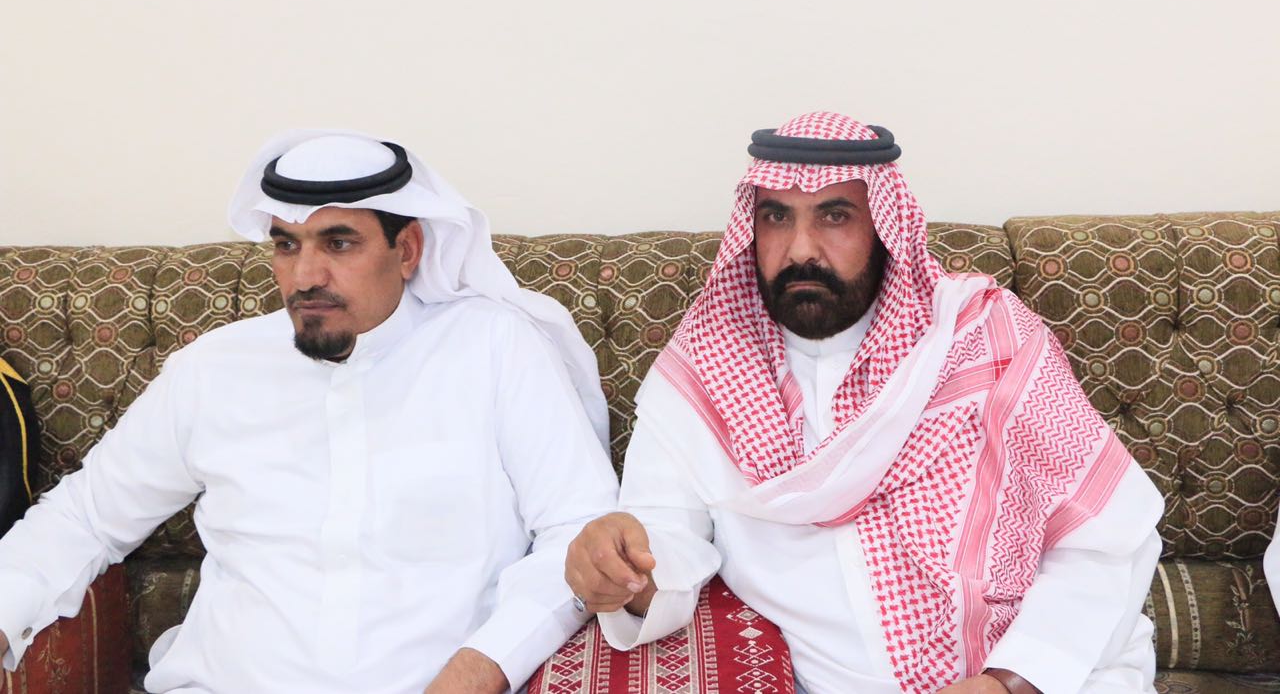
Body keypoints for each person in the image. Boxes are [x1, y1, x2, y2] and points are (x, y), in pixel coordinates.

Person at [0, 131, 619, 694]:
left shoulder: (495, 348)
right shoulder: (214, 368)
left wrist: (478, 670)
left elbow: (578, 532)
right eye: (286, 245)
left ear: (407, 249)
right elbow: (84, 518)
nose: (304, 276)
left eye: (339, 243)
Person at [565, 112, 1164, 694]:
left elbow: (1105, 538)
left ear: (884, 226)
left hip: (1049, 674)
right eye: (776, 217)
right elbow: (664, 539)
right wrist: (620, 569)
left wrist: (1012, 681)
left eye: (834, 216)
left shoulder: (987, 340)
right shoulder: (703, 369)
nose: (800, 249)